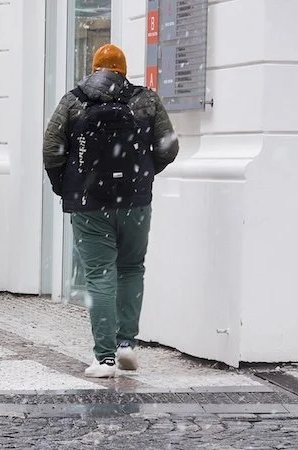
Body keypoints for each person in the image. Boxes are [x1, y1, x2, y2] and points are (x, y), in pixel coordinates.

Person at [42, 44, 179, 378]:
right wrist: (143, 174)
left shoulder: (73, 101)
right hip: (135, 202)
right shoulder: (145, 99)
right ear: (123, 70)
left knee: (99, 273)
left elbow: (51, 149)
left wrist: (67, 185)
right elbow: (169, 146)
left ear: (94, 69)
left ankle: (104, 359)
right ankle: (126, 344)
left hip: (90, 204)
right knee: (131, 268)